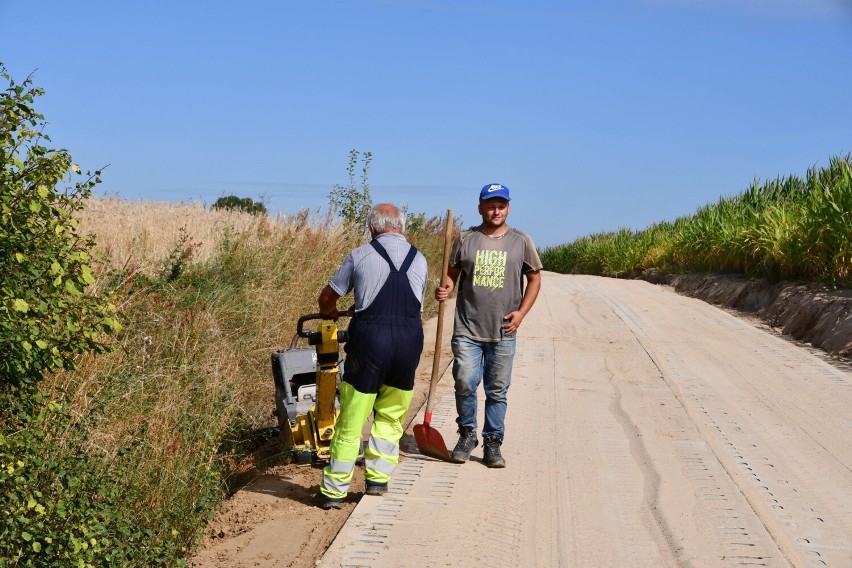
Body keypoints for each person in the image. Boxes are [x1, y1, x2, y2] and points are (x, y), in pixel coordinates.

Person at [314, 203, 428, 509]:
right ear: (402, 227)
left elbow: (328, 296)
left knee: (352, 417)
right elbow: (408, 300)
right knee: (391, 415)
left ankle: (333, 491)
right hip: (409, 341)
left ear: (373, 228)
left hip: (371, 342)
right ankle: (378, 479)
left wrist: (332, 314)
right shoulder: (420, 258)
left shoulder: (360, 255)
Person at [435, 183, 542, 468]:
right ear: (480, 207)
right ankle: (467, 434)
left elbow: (535, 279)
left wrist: (521, 314)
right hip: (468, 328)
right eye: (491, 205)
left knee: (497, 390)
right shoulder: (465, 239)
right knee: (465, 382)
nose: (497, 211)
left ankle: (493, 442)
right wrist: (444, 288)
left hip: (504, 330)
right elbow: (451, 275)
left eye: (502, 206)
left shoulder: (521, 241)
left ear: (508, 207)